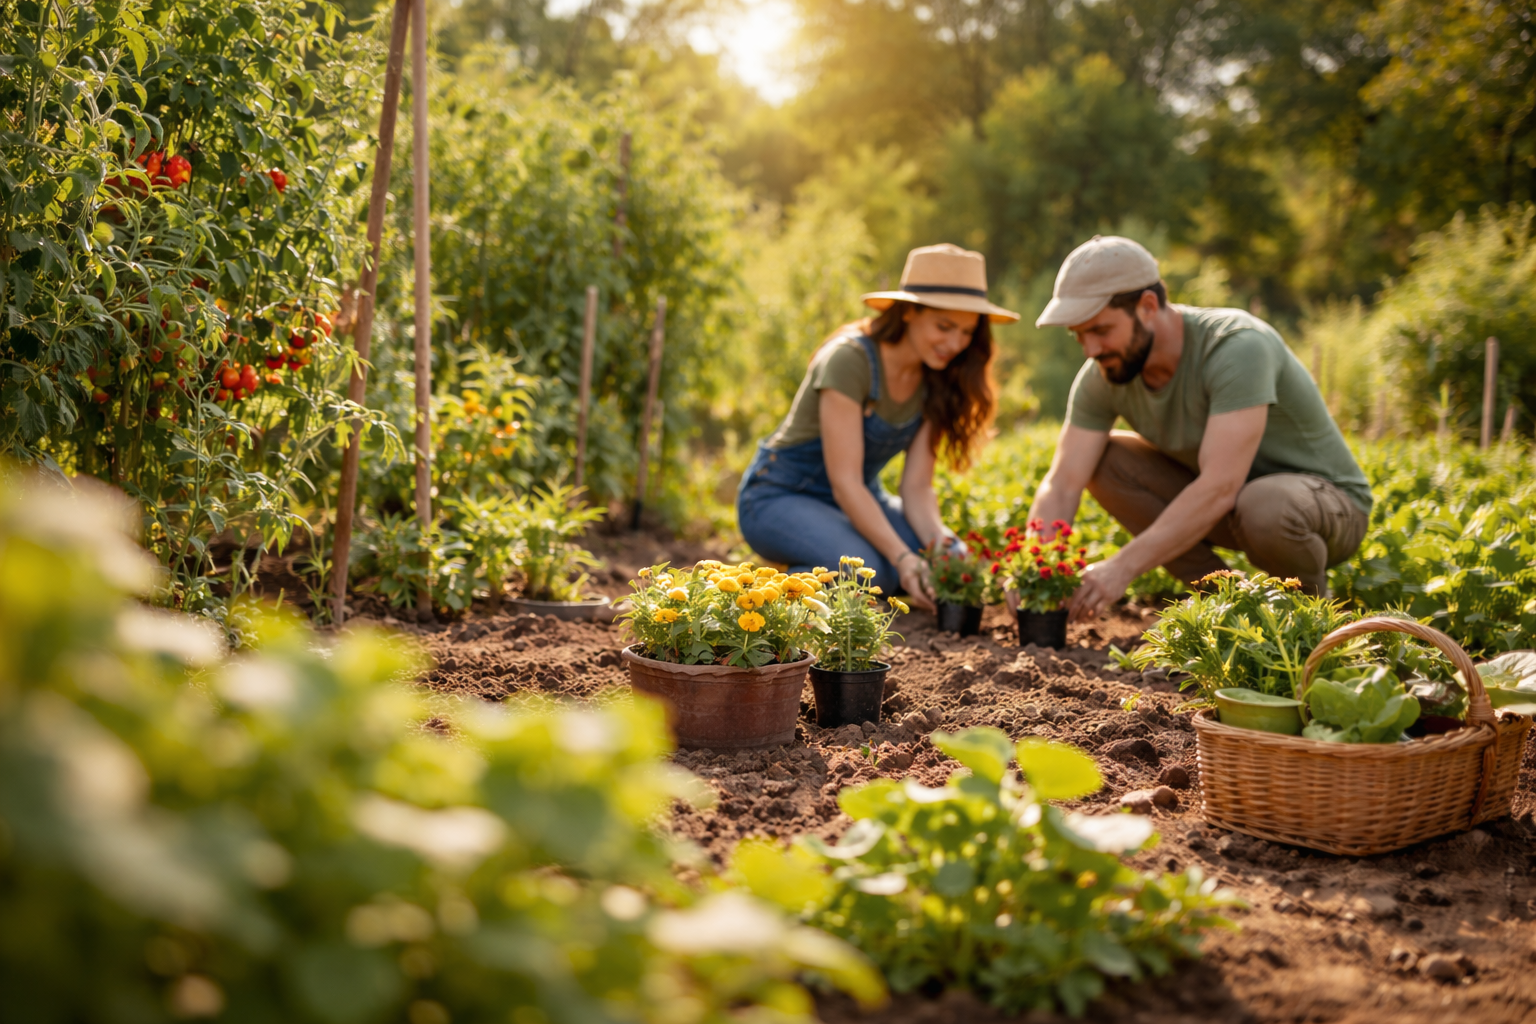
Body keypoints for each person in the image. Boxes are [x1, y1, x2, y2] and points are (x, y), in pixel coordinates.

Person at [1025, 235, 1373, 621]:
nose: (1090, 349)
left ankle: (1308, 619)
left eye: (1101, 330)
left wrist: (1121, 567)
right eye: (1079, 335)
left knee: (1264, 505)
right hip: (1233, 507)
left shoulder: (1236, 346)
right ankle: (1226, 603)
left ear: (1147, 306)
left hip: (1324, 509)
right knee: (1103, 461)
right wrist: (1031, 569)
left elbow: (1220, 486)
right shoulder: (1104, 373)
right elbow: (1062, 483)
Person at [737, 243, 1018, 611]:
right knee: (872, 571)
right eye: (944, 326)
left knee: (951, 560)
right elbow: (845, 481)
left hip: (859, 499)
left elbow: (916, 487)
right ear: (908, 312)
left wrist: (943, 546)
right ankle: (759, 593)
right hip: (781, 497)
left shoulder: (938, 378)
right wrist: (903, 559)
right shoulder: (849, 360)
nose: (955, 344)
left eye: (966, 332)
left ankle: (818, 567)